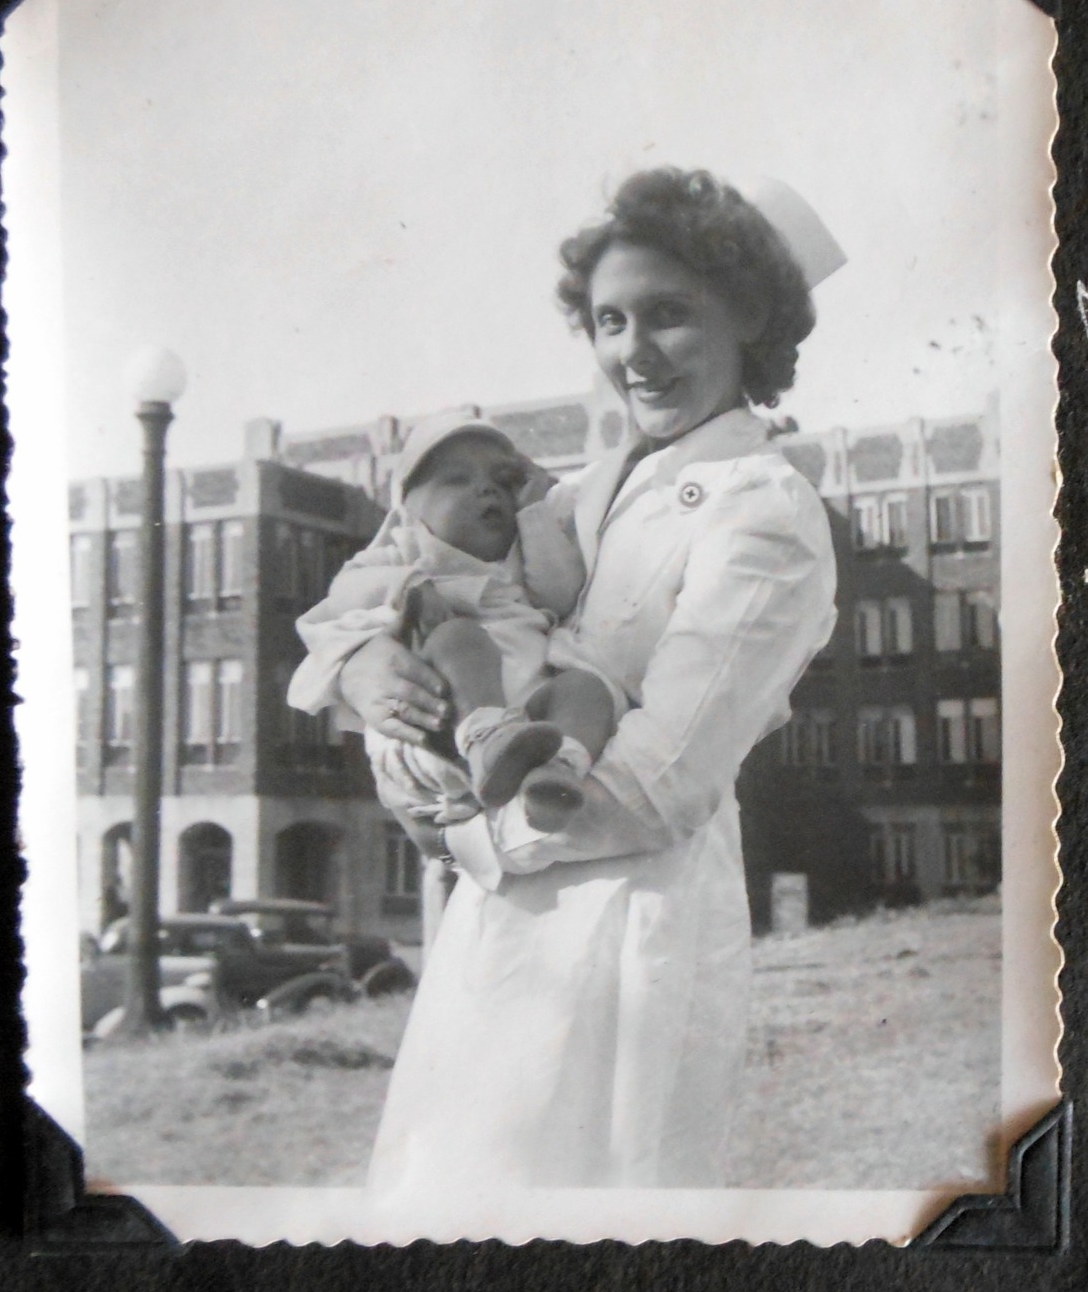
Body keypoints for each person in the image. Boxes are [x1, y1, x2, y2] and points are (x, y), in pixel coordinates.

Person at [338, 167, 845, 1199]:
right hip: (502, 915)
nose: (631, 353)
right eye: (609, 321)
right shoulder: (594, 488)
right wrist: (371, 678)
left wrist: (464, 839)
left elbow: (661, 781)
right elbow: (432, 586)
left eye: (667, 315)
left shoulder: (764, 512)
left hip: (626, 920)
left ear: (748, 317)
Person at [288, 412, 624, 832]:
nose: (486, 489)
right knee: (457, 637)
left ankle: (556, 771)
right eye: (457, 479)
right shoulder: (405, 549)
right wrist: (410, 586)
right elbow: (345, 593)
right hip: (441, 730)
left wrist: (535, 514)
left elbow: (562, 592)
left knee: (586, 687)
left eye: (503, 482)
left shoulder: (517, 556)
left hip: (530, 723)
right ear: (407, 510)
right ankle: (489, 740)